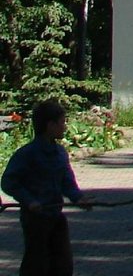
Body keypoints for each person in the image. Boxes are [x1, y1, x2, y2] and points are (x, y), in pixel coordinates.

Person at [2, 99, 95, 275]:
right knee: (36, 264)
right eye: (62, 123)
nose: (65, 127)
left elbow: (67, 182)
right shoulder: (27, 154)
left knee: (63, 265)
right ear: (50, 125)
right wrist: (29, 201)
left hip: (56, 216)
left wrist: (79, 198)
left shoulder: (60, 153)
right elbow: (9, 182)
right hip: (35, 220)